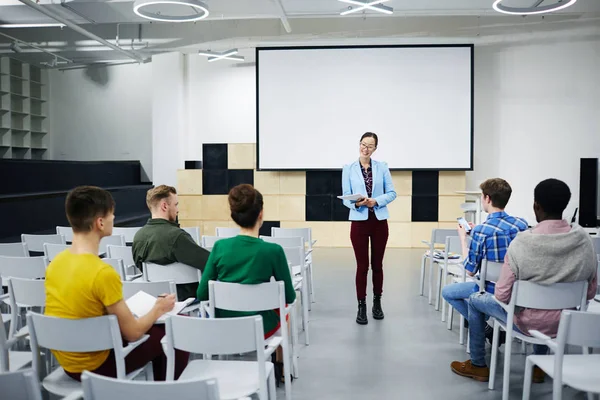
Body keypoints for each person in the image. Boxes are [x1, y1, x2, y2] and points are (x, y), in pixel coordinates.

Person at [450, 179, 598, 383]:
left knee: (476, 299)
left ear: (536, 206)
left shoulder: (523, 242)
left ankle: (478, 365)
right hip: (570, 320)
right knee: (550, 305)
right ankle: (539, 366)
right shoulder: (584, 239)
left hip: (527, 323)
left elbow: (502, 295)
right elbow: (590, 291)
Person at [45, 186, 188, 381]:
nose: (114, 218)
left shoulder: (56, 263)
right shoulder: (102, 272)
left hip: (68, 361)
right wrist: (158, 308)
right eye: (112, 214)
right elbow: (133, 334)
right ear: (100, 222)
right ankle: (165, 392)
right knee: (176, 328)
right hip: (96, 366)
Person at [197, 184, 296, 339]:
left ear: (233, 215)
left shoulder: (219, 247)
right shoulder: (273, 251)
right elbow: (289, 297)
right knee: (283, 309)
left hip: (225, 323)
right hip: (260, 326)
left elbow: (202, 294)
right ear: (261, 214)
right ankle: (279, 362)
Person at [441, 178, 528, 325]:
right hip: (519, 287)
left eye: (482, 196)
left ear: (487, 198)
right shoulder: (521, 224)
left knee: (448, 292)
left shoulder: (482, 231)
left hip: (489, 289)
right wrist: (477, 231)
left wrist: (463, 239)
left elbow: (470, 271)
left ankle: (484, 328)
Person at [341, 132, 397, 325]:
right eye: (363, 145)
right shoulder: (348, 168)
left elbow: (392, 193)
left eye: (370, 146)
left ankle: (377, 303)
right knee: (362, 266)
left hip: (379, 221)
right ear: (359, 144)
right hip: (359, 221)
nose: (365, 149)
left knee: (378, 265)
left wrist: (376, 201)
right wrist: (357, 204)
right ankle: (361, 306)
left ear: (375, 148)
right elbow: (346, 196)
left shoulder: (382, 167)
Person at [133, 185, 210, 300]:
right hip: (185, 298)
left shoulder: (138, 236)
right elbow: (209, 263)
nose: (177, 210)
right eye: (175, 205)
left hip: (154, 297)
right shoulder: (177, 237)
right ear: (164, 206)